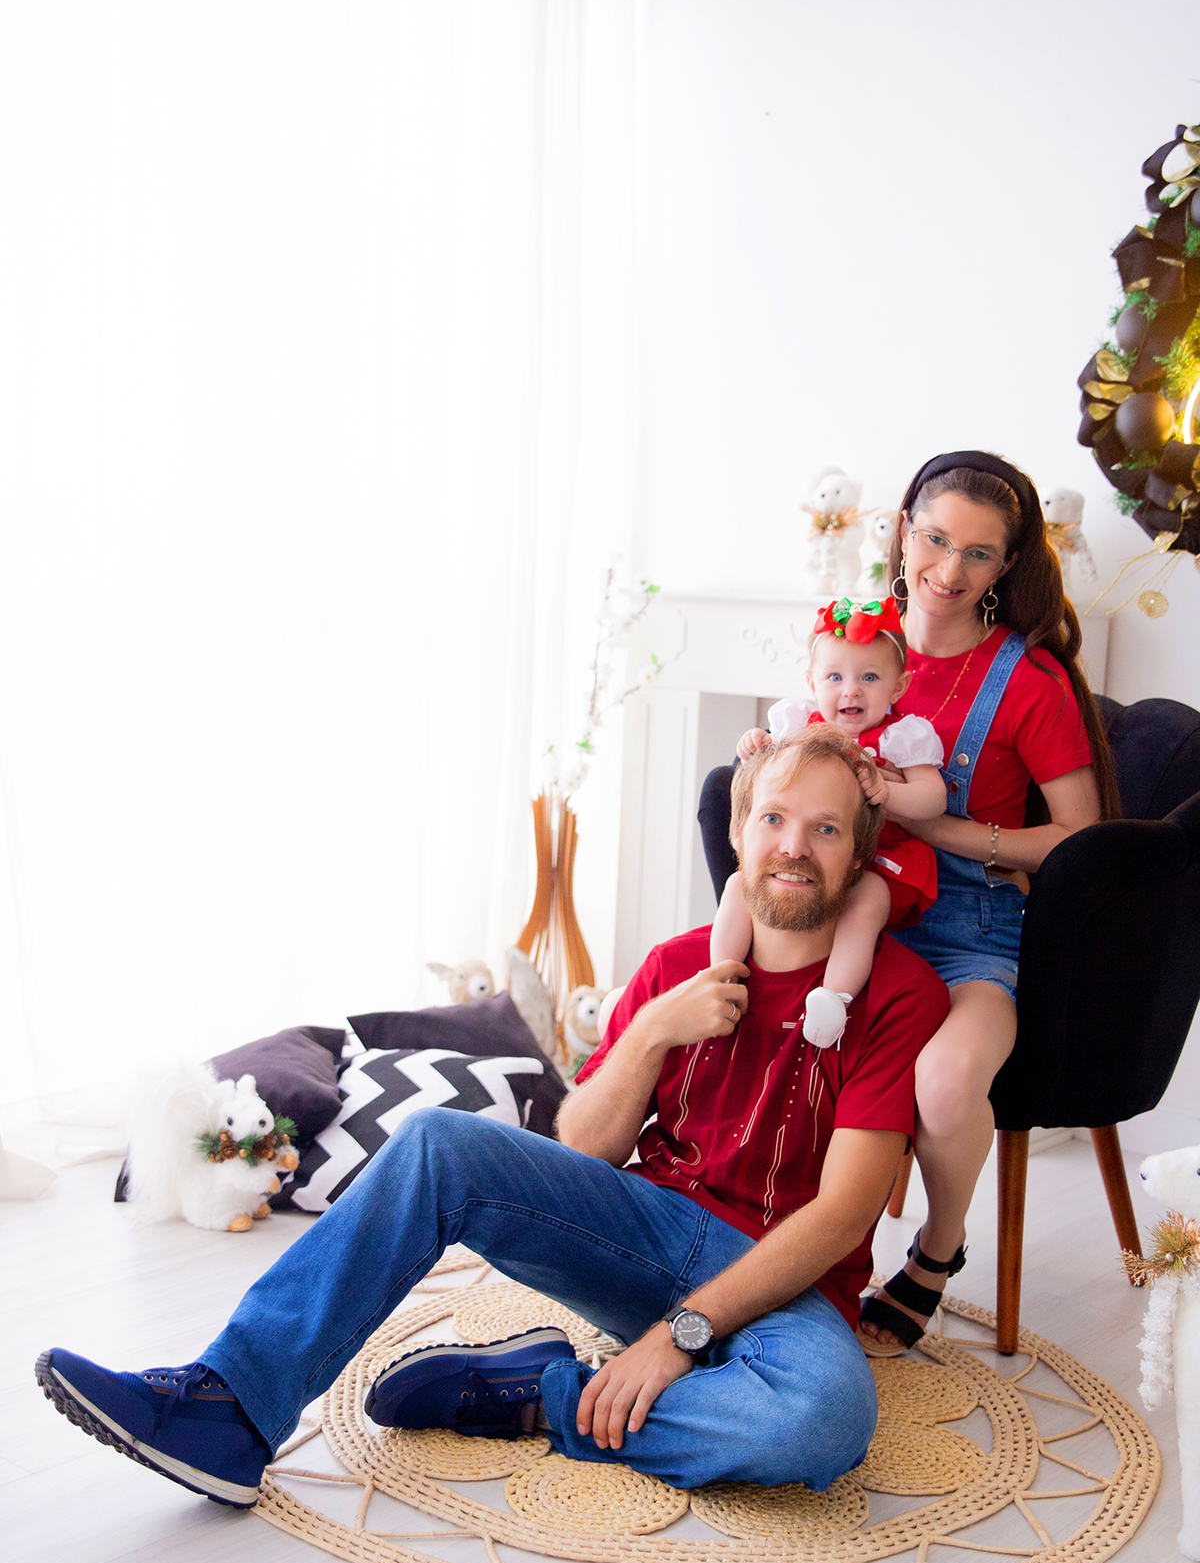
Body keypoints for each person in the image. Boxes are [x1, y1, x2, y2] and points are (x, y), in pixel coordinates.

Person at [37, 727, 947, 1505]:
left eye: (825, 828)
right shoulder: (675, 965)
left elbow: (843, 1217)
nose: (795, 846)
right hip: (645, 1231)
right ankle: (228, 1406)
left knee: (822, 1423)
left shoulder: (900, 995)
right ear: (741, 836)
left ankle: (533, 1395)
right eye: (776, 820)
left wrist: (675, 1340)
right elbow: (582, 1147)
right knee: (439, 1142)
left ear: (857, 855)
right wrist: (651, 1036)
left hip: (783, 1283)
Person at [850, 449, 1120, 1356]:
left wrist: (951, 834)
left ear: (1007, 566)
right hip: (858, 917)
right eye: (934, 539)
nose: (947, 570)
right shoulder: (857, 648)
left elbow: (1081, 835)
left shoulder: (1029, 684)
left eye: (977, 553)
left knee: (948, 1078)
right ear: (903, 530)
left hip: (971, 934)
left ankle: (935, 1250)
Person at [710, 594, 946, 1050]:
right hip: (812, 855)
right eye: (835, 677)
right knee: (738, 885)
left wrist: (888, 791)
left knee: (865, 903)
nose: (851, 690)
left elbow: (933, 800)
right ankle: (722, 977)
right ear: (811, 682)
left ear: (898, 687)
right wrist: (759, 742)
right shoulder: (798, 724)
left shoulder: (901, 737)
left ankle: (833, 998)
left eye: (870, 678)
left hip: (878, 857)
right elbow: (772, 774)